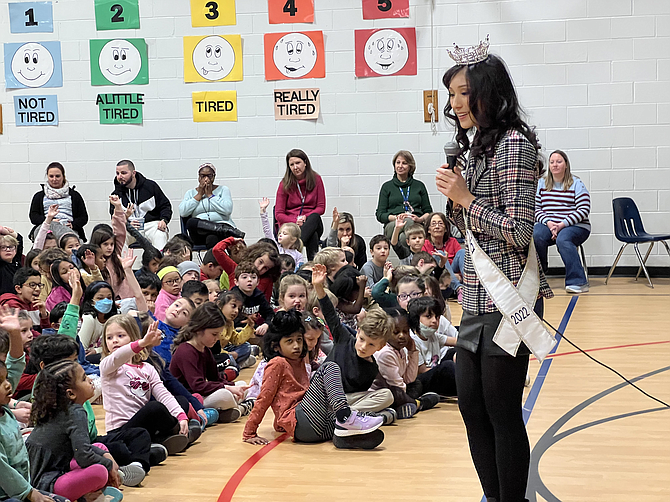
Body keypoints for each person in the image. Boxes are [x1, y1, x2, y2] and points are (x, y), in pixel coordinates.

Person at [436, 46, 553, 502]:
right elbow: (470, 226)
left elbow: (524, 231)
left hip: (510, 301)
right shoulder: (476, 149)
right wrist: (455, 197)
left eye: (464, 92)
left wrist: (466, 199)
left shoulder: (513, 145)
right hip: (476, 298)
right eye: (452, 95)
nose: (456, 104)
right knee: (471, 407)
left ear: (490, 92)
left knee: (501, 411)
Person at [242, 310, 385, 450]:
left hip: (314, 429)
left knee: (366, 416)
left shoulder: (301, 359)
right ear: (276, 345)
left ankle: (343, 438)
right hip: (303, 421)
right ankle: (345, 416)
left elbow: (288, 395)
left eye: (299, 339)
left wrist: (280, 423)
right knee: (329, 367)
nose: (296, 345)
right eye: (289, 341)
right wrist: (249, 432)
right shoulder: (277, 363)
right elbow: (265, 398)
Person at [26, 360, 124, 502]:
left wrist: (106, 458)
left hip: (50, 470)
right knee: (100, 472)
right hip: (45, 482)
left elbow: (80, 450)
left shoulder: (60, 408)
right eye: (84, 378)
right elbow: (83, 456)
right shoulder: (75, 412)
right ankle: (84, 497)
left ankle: (93, 491)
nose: (90, 380)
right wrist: (108, 465)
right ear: (71, 394)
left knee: (99, 448)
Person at [0, 307, 71, 502]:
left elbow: (15, 364)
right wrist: (30, 494)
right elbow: (3, 471)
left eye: (5, 378)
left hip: (21, 488)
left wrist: (14, 334)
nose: (8, 384)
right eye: (0, 382)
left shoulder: (3, 407)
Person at [312, 264, 396, 419]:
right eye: (362, 339)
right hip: (322, 397)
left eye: (371, 344)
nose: (363, 347)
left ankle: (346, 416)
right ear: (357, 331)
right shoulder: (344, 338)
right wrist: (318, 287)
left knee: (387, 396)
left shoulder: (371, 368)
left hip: (345, 402)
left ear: (381, 346)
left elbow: (358, 394)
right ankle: (354, 417)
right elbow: (330, 314)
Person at [100, 314, 190, 455]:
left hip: (143, 425)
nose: (114, 341)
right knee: (154, 408)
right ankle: (172, 434)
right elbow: (117, 357)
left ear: (133, 337)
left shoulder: (147, 368)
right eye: (109, 338)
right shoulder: (108, 367)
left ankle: (167, 436)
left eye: (120, 335)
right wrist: (142, 343)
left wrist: (181, 416)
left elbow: (163, 394)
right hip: (121, 431)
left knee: (181, 402)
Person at [170, 303, 252, 423]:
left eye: (219, 334)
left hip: (200, 394)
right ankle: (239, 408)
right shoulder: (185, 351)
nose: (217, 338)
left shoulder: (205, 350)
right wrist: (227, 387)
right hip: (188, 398)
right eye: (214, 334)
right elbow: (197, 385)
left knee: (241, 385)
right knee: (225, 395)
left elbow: (215, 378)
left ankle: (227, 410)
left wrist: (233, 386)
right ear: (199, 330)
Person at [534, 149, 591, 294]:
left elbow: (584, 209)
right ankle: (540, 274)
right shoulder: (542, 183)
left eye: (559, 162)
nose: (555, 165)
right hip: (550, 224)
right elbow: (536, 208)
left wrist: (561, 225)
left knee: (563, 239)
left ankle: (578, 281)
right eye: (552, 162)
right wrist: (548, 223)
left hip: (576, 226)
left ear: (566, 165)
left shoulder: (576, 183)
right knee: (536, 234)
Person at [274, 149, 326, 260]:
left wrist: (305, 218)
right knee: (313, 236)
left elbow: (321, 207)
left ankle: (299, 243)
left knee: (315, 217)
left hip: (310, 221)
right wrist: (294, 221)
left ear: (305, 163)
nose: (295, 167)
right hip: (291, 226)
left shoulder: (316, 179)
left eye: (298, 163)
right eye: (291, 165)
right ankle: (313, 265)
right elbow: (278, 213)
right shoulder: (284, 184)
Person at [179, 163, 244, 249]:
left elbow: (227, 210)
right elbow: (183, 212)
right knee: (191, 222)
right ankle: (226, 231)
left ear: (214, 177)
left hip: (218, 233)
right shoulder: (190, 193)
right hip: (199, 234)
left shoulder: (223, 190)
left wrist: (210, 195)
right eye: (203, 176)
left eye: (209, 176)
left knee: (212, 238)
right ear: (199, 177)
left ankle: (213, 262)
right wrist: (198, 195)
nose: (206, 179)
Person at [111, 160, 172, 250]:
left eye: (123, 173)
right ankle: (122, 263)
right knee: (117, 237)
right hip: (129, 227)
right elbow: (114, 218)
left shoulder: (150, 187)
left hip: (150, 225)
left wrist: (164, 220)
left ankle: (160, 263)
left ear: (133, 173)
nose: (120, 176)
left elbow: (165, 206)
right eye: (117, 173)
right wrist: (127, 223)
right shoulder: (116, 194)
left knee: (160, 233)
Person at [375, 150, 433, 241]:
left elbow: (428, 212)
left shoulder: (419, 185)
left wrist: (419, 219)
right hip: (393, 225)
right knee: (408, 222)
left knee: (403, 238)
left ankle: (408, 255)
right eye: (398, 163)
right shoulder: (387, 187)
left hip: (416, 224)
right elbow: (380, 214)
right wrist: (396, 218)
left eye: (404, 163)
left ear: (410, 166)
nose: (400, 166)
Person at [29, 162, 89, 242]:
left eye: (57, 176)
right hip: (46, 228)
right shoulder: (39, 196)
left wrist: (73, 225)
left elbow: (83, 217)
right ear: (47, 177)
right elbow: (33, 216)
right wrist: (49, 221)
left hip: (68, 229)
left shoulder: (74, 195)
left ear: (63, 176)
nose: (54, 179)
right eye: (51, 176)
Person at [422, 212, 465, 301]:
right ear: (429, 229)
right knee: (439, 254)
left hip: (453, 273)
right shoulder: (425, 244)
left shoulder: (452, 241)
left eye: (440, 223)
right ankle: (459, 288)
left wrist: (454, 276)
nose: (437, 226)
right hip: (437, 276)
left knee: (462, 252)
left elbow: (461, 262)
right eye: (433, 224)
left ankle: (468, 287)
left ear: (445, 229)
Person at [259, 198, 304, 269]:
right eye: (280, 233)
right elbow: (267, 231)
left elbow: (299, 269)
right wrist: (263, 212)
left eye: (284, 233)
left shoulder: (298, 255)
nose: (280, 235)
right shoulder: (276, 248)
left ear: (293, 239)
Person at [0, 227, 23, 296]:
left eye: (10, 247)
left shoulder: (17, 261)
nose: (8, 250)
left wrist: (9, 233)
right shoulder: (1, 265)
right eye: (3, 247)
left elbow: (19, 239)